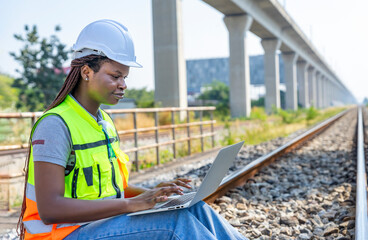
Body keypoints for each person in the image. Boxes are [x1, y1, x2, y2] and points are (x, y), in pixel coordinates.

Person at [17, 19, 247, 240]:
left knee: (195, 209)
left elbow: (112, 191)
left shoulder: (103, 122)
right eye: (115, 76)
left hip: (98, 224)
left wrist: (151, 194)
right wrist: (131, 204)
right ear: (86, 72)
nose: (123, 85)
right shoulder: (55, 125)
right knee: (176, 223)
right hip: (63, 234)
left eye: (125, 77)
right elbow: (50, 209)